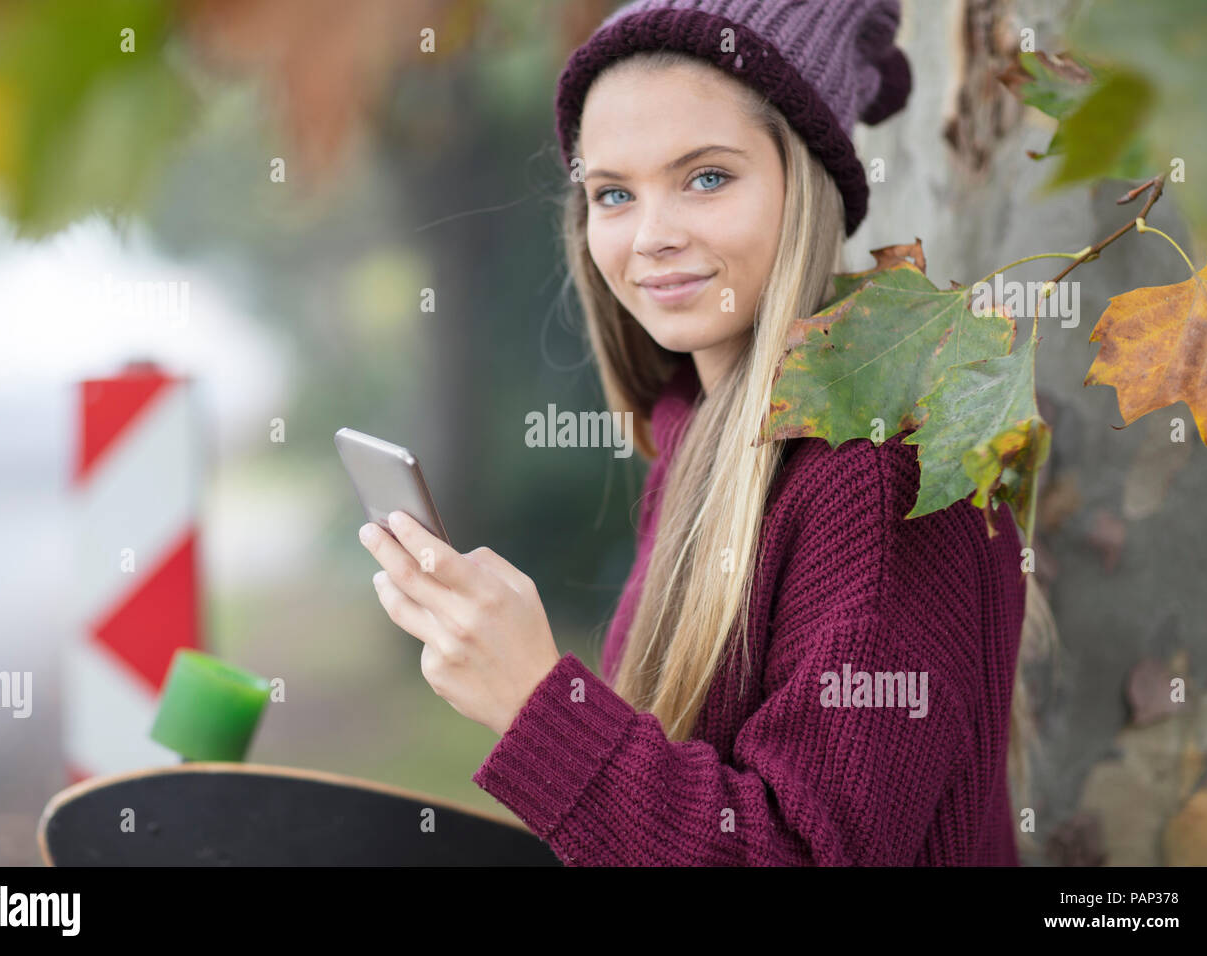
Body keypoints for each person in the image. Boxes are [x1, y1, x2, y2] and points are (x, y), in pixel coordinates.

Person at [360, 0, 1056, 865]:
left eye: (707, 177)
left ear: (805, 188)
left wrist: (540, 705)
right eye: (614, 193)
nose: (652, 236)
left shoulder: (877, 470)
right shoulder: (697, 436)